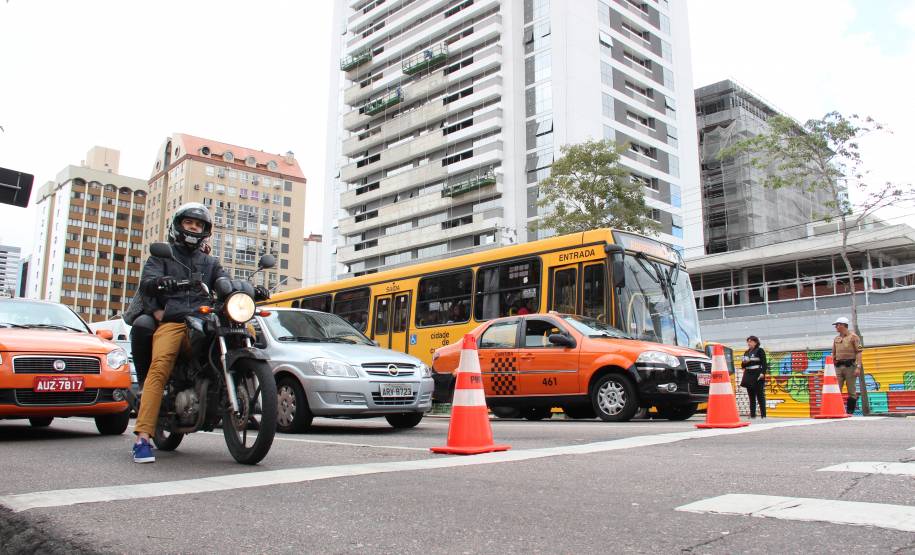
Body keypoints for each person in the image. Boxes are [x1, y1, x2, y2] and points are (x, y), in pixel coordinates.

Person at [131, 203, 232, 463]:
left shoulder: (209, 262)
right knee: (160, 365)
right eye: (189, 223)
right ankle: (142, 437)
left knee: (238, 335)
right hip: (174, 321)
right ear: (178, 225)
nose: (194, 228)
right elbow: (147, 283)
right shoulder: (162, 256)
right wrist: (160, 283)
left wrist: (238, 288)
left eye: (199, 225)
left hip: (202, 319)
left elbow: (223, 281)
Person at [832, 316, 863, 415]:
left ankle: (850, 412)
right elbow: (833, 354)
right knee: (836, 389)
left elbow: (859, 352)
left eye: (837, 325)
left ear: (843, 325)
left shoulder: (854, 337)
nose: (836, 327)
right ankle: (837, 410)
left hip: (850, 367)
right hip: (838, 367)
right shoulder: (836, 338)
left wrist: (858, 367)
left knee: (851, 390)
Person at [739, 335, 767, 418]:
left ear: (755, 342)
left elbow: (764, 363)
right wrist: (744, 362)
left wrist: (763, 373)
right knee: (751, 396)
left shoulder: (760, 350)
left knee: (760, 396)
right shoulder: (746, 352)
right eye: (748, 341)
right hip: (748, 375)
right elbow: (742, 365)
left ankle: (763, 415)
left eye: (750, 341)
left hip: (757, 374)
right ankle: (753, 415)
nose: (748, 343)